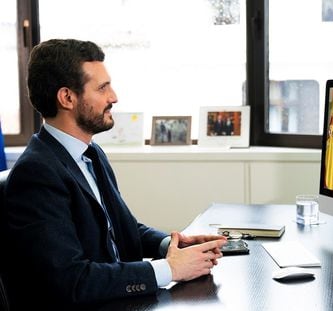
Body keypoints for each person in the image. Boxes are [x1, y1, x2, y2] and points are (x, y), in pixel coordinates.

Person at [3, 39, 227, 310]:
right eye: (102, 88)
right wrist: (170, 269)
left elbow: (120, 227)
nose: (114, 97)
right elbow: (70, 280)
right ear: (67, 98)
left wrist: (170, 244)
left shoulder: (91, 153)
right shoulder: (36, 174)